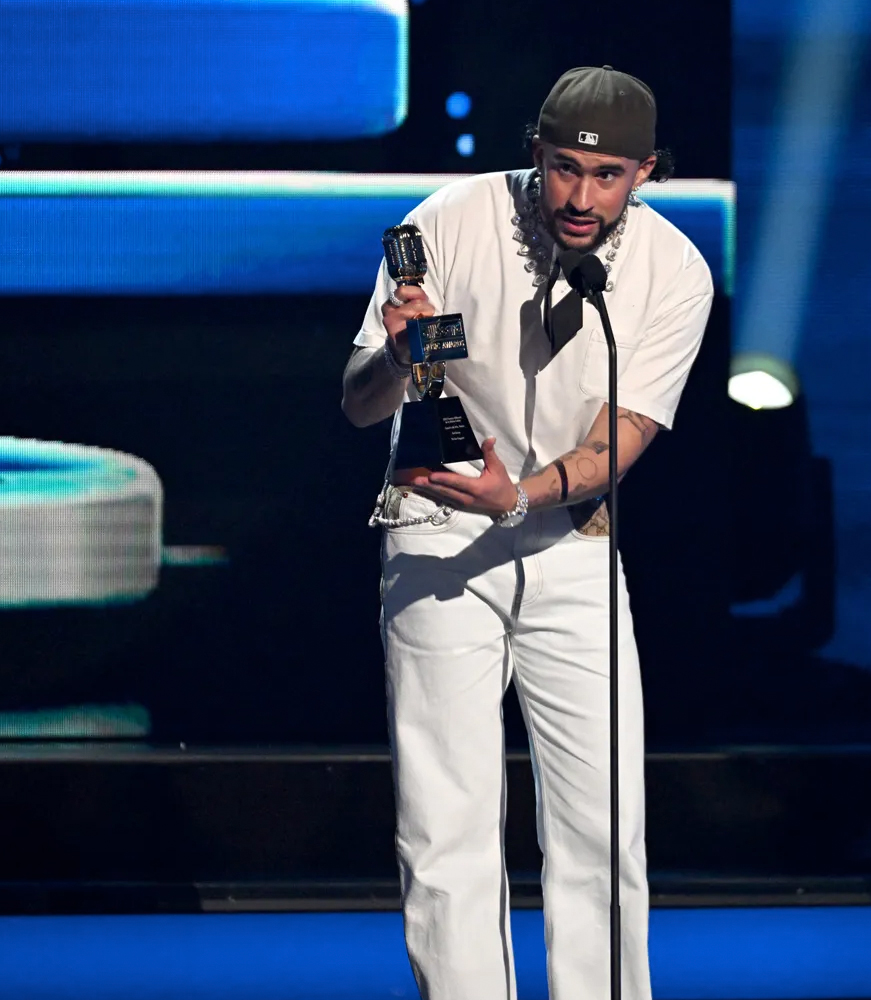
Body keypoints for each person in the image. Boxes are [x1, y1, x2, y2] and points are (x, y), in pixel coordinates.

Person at [341, 65, 714, 1000]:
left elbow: (619, 440)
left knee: (604, 823)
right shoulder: (444, 224)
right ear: (534, 155)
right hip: (434, 535)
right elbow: (357, 404)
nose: (581, 197)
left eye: (609, 176)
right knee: (445, 824)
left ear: (647, 172)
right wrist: (395, 352)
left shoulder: (675, 273)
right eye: (562, 170)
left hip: (571, 544)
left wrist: (520, 497)